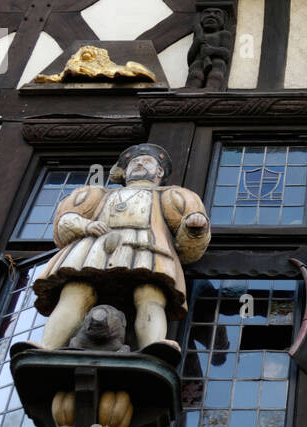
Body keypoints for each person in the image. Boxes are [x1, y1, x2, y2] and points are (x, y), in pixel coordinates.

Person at [27, 143, 210, 353]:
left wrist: (194, 228)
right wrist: (85, 225)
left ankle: (153, 346)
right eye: (135, 162)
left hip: (147, 250)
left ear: (159, 172)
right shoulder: (97, 194)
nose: (140, 164)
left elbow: (188, 246)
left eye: (147, 161)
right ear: (125, 171)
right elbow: (65, 222)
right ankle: (48, 346)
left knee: (150, 293)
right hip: (94, 250)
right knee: (76, 291)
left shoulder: (172, 196)